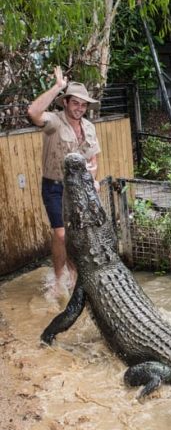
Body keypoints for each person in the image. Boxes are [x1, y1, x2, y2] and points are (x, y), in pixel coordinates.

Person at [27, 66, 101, 296]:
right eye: (75, 103)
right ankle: (59, 278)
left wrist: (93, 180)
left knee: (77, 234)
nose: (79, 108)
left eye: (83, 104)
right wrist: (58, 87)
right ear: (66, 102)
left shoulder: (89, 127)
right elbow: (33, 112)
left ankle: (74, 273)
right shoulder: (54, 122)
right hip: (55, 187)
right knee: (61, 234)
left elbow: (94, 161)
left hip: (79, 189)